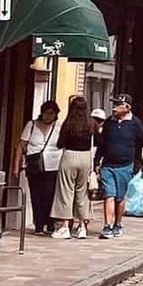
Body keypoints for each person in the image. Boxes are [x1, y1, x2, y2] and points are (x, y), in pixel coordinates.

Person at [94, 94, 143, 240]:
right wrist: (97, 161)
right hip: (108, 165)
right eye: (114, 104)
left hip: (125, 165)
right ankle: (107, 226)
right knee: (109, 195)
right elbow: (102, 144)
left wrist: (135, 158)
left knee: (119, 197)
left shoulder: (135, 123)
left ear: (127, 107)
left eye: (118, 105)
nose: (114, 108)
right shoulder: (109, 123)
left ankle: (117, 224)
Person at [12, 99, 61, 235]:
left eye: (51, 113)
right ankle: (38, 224)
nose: (48, 116)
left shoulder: (59, 126)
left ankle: (49, 222)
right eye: (46, 113)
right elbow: (21, 145)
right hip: (35, 165)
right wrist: (16, 167)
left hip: (53, 166)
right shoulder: (31, 125)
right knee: (36, 195)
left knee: (50, 194)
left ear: (55, 114)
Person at [51, 95, 96, 240]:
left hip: (69, 156)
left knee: (65, 192)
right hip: (85, 158)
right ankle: (82, 227)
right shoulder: (91, 123)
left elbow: (60, 143)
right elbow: (100, 141)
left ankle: (65, 227)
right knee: (82, 193)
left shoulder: (69, 123)